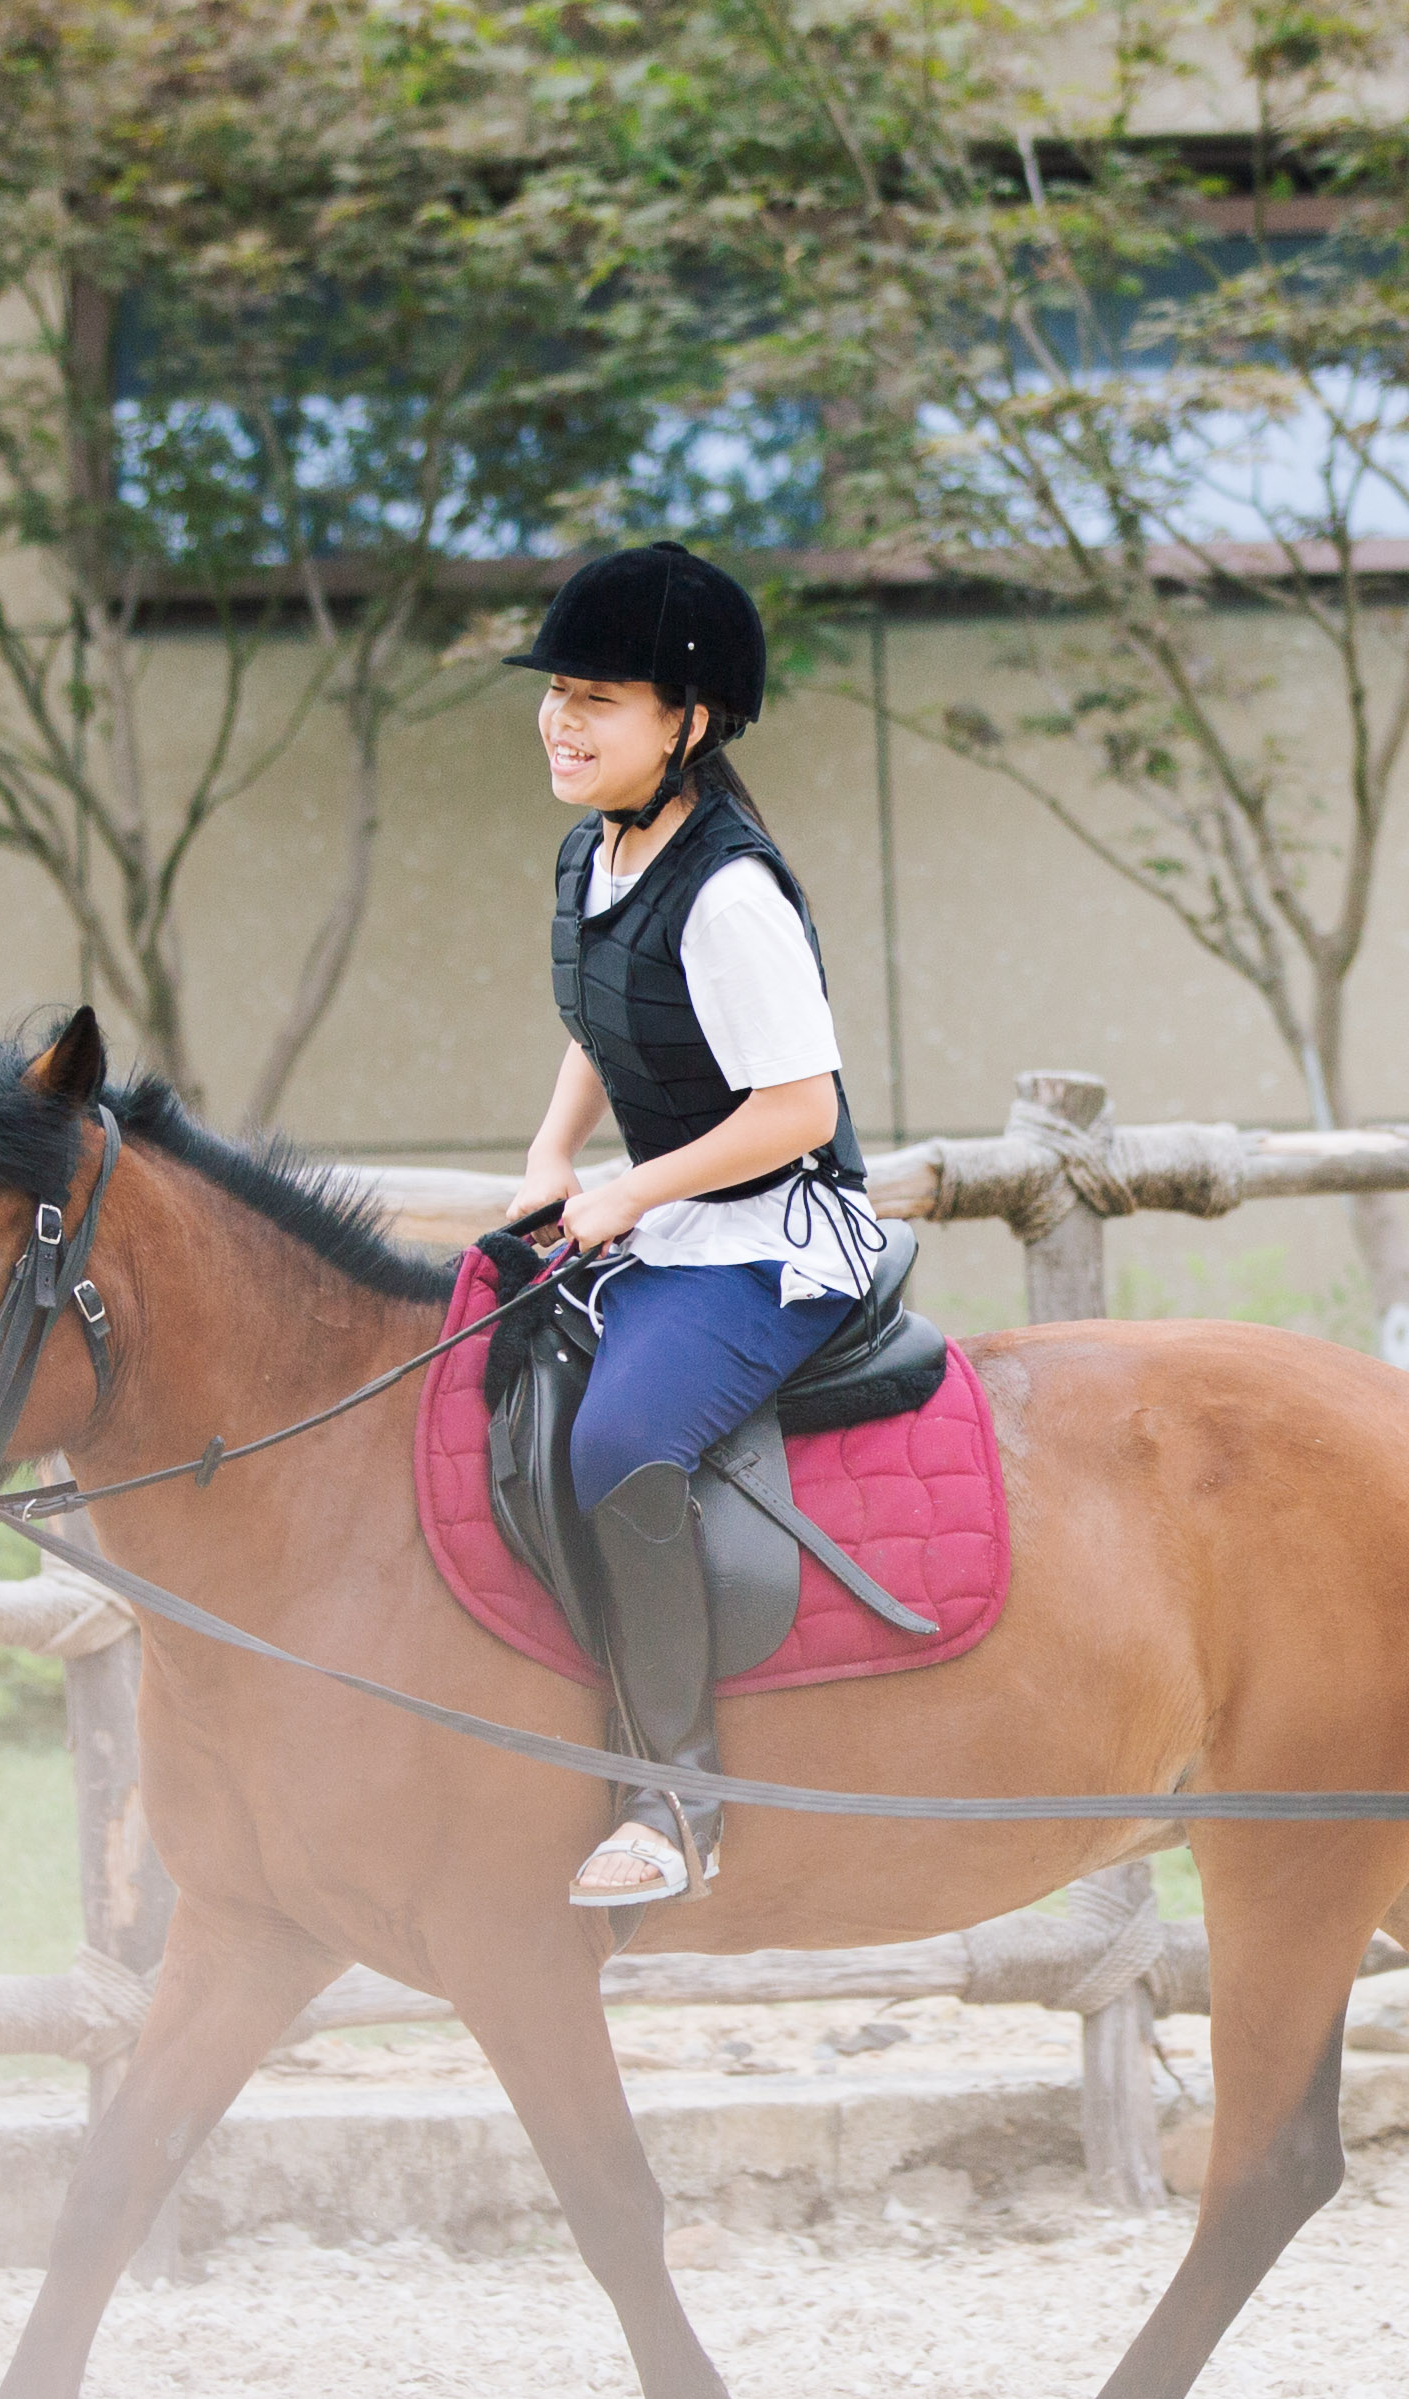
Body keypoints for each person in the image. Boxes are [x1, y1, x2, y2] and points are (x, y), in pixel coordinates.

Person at [501, 542, 889, 1912]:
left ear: (691, 719)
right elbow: (606, 1025)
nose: (561, 720)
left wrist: (627, 1190)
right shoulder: (596, 852)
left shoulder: (730, 894)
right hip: (667, 1220)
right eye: (558, 692)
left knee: (620, 1438)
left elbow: (796, 1109)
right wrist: (555, 1155)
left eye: (598, 698)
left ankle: (676, 1798)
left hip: (775, 1237)